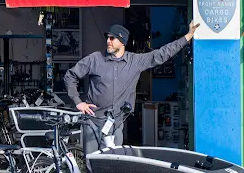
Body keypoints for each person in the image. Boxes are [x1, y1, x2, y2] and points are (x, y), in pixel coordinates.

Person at [64, 20, 199, 154]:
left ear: (122, 42)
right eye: (108, 38)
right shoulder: (95, 59)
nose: (108, 41)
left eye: (112, 38)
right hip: (92, 121)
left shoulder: (135, 62)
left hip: (116, 123)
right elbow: (70, 75)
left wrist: (188, 36)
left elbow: (162, 54)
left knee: (112, 162)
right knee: (91, 161)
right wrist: (78, 102)